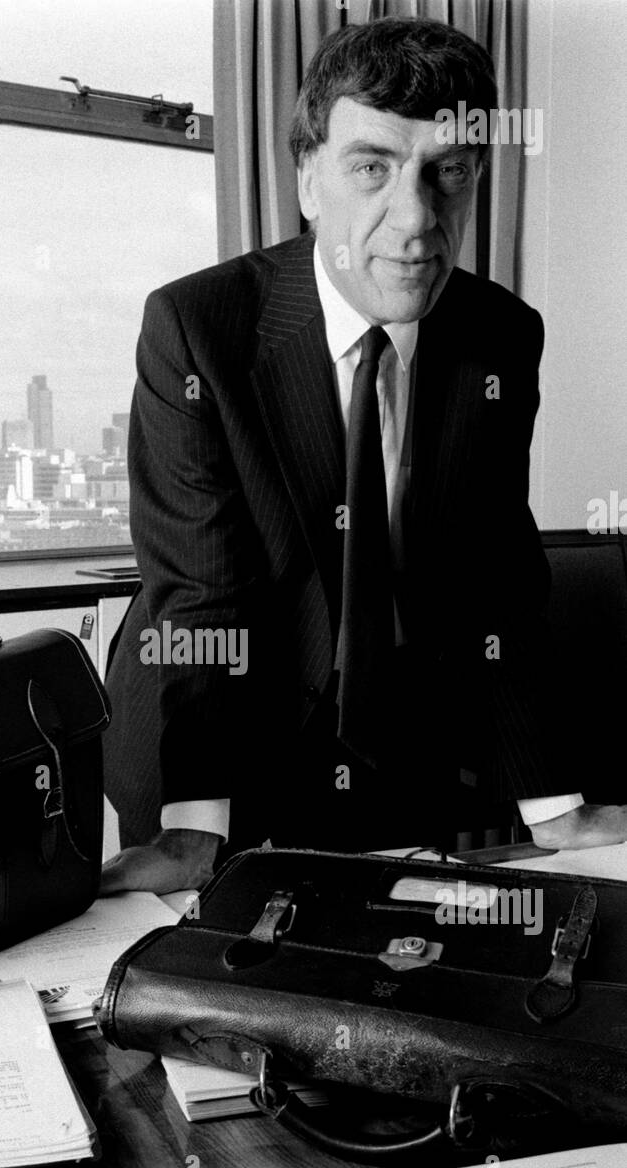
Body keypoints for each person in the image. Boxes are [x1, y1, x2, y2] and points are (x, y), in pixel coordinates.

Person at [100, 17, 627, 895]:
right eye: (372, 167)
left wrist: (556, 808)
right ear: (309, 178)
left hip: (399, 754)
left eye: (448, 172)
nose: (417, 219)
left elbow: (499, 578)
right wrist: (194, 828)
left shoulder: (501, 336)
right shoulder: (198, 329)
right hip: (213, 748)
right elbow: (202, 598)